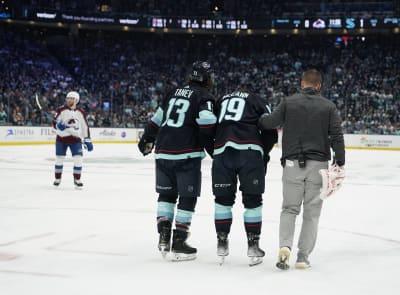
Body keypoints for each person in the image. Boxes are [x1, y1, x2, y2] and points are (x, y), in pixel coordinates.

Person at [258, 69, 345, 270]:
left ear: (301, 83)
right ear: (319, 86)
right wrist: (339, 161)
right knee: (311, 213)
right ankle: (303, 257)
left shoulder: (289, 102)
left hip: (291, 164)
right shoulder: (329, 106)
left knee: (289, 209)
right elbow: (337, 136)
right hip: (318, 166)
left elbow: (269, 122)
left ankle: (284, 247)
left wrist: (259, 116)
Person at [138, 61, 216, 261]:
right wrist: (212, 146)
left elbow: (156, 119)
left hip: (163, 152)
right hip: (187, 154)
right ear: (206, 78)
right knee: (187, 197)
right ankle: (179, 240)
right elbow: (207, 122)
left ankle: (164, 235)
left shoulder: (172, 92)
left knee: (166, 195)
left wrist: (147, 139)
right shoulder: (204, 96)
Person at [212, 87, 277, 266]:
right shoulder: (257, 99)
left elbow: (208, 126)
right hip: (249, 151)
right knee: (253, 200)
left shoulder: (221, 100)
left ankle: (222, 243)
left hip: (223, 151)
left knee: (222, 200)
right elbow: (270, 129)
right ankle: (253, 245)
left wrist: (215, 151)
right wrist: (263, 152)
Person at [52, 91, 93, 188]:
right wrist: (58, 125)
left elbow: (84, 127)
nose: (69, 100)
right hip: (61, 139)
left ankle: (77, 179)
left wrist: (87, 139)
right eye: (68, 98)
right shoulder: (61, 110)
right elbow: (54, 123)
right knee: (59, 159)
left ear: (76, 100)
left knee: (78, 159)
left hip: (75, 140)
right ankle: (57, 178)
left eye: (71, 98)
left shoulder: (81, 113)